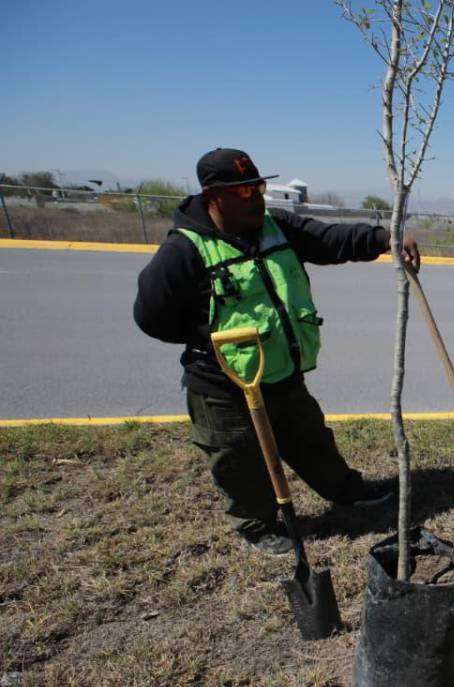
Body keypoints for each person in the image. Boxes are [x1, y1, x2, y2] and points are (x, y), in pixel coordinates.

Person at [134, 148, 420, 555]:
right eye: (244, 191)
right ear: (214, 196)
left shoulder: (276, 226)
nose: (256, 197)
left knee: (311, 439)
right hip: (223, 385)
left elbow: (327, 239)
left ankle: (347, 491)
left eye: (259, 187)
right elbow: (151, 315)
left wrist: (383, 239)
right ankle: (256, 525)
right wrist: (209, 340)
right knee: (239, 460)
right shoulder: (185, 250)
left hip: (281, 373)